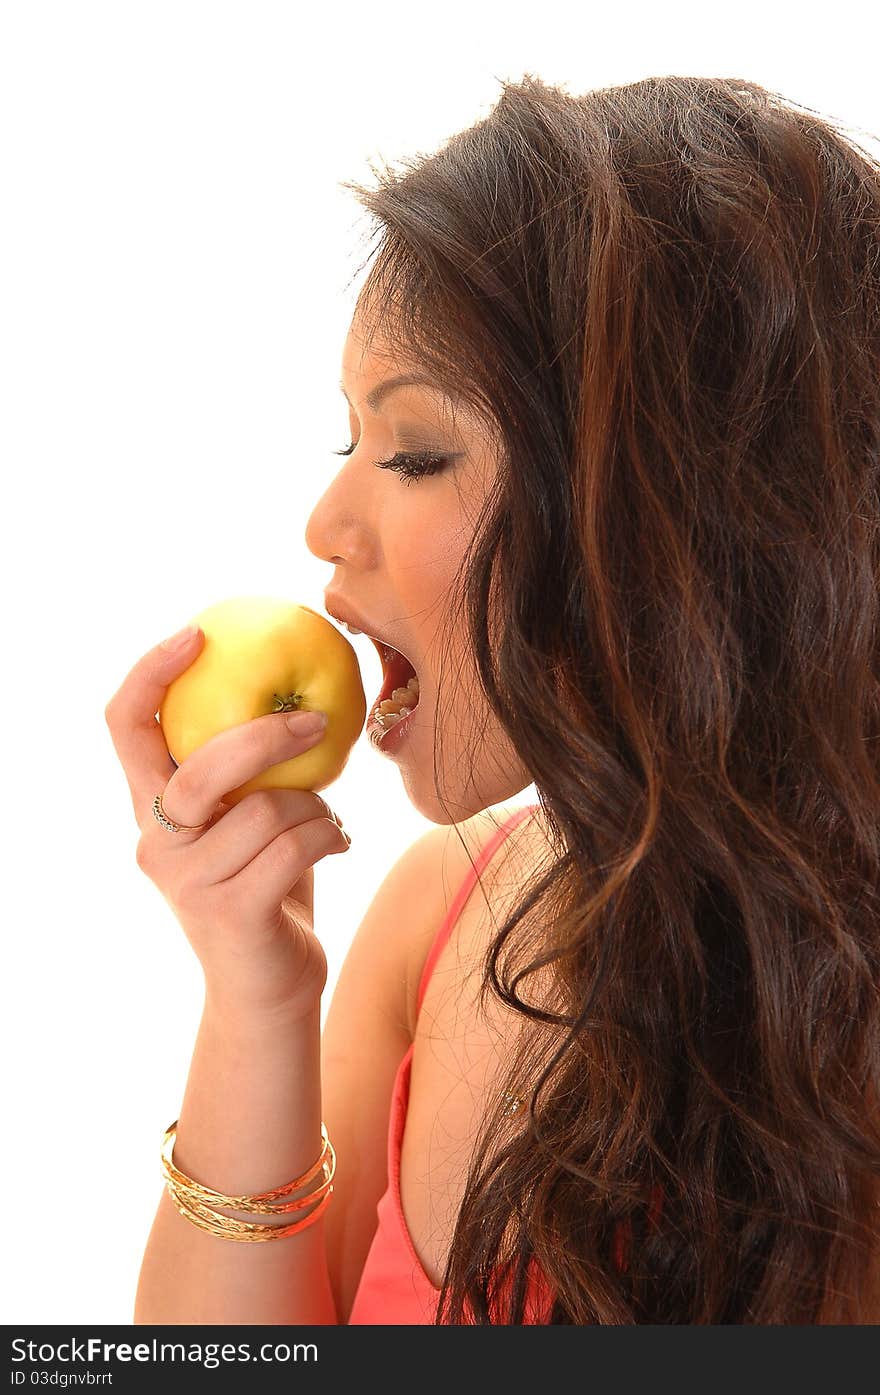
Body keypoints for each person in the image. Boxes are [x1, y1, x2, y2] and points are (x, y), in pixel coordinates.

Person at [104, 73, 880, 1324]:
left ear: (664, 513)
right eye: (345, 442)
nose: (324, 525)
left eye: (413, 452)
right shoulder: (430, 923)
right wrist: (253, 999)